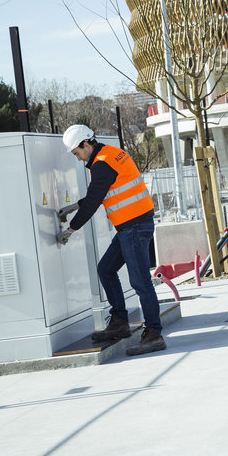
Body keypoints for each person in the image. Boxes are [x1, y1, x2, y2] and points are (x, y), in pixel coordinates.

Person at [59, 124, 165, 356]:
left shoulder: (102, 164)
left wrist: (71, 229)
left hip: (134, 227)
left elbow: (94, 199)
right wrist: (74, 206)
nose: (78, 158)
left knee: (140, 282)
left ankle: (154, 334)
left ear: (86, 144)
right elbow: (104, 190)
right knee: (106, 269)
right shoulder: (111, 154)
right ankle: (119, 323)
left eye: (77, 153)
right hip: (132, 226)